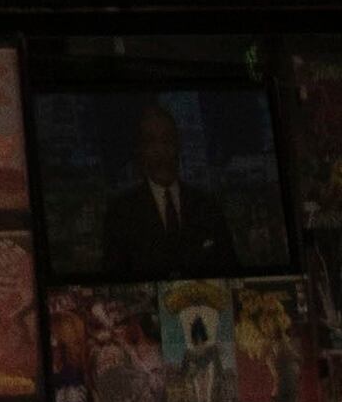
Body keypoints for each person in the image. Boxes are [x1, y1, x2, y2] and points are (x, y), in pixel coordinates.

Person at [88, 99, 246, 279]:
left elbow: (231, 268)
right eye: (151, 141)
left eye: (166, 139)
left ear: (178, 144)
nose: (160, 150)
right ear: (140, 149)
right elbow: (113, 278)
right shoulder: (121, 212)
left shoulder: (207, 206)